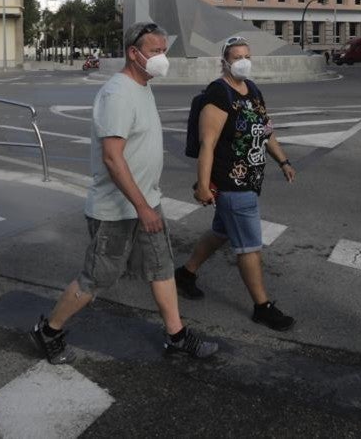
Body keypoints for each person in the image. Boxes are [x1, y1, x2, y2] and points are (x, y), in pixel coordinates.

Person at [30, 22, 219, 364]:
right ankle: (49, 330)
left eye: (164, 51)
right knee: (97, 279)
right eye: (155, 51)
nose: (162, 58)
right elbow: (112, 159)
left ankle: (176, 336)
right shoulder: (117, 93)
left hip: (147, 203)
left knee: (162, 269)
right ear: (134, 54)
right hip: (117, 211)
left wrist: (149, 205)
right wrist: (143, 207)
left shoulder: (143, 86)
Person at [174, 37, 297, 331]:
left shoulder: (252, 90)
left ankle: (186, 273)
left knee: (220, 232)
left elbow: (265, 131)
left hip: (251, 180)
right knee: (250, 247)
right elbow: (208, 144)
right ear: (225, 62)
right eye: (237, 56)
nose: (243, 61)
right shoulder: (219, 93)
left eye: (247, 55)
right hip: (232, 182)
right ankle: (262, 306)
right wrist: (203, 185)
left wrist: (284, 161)